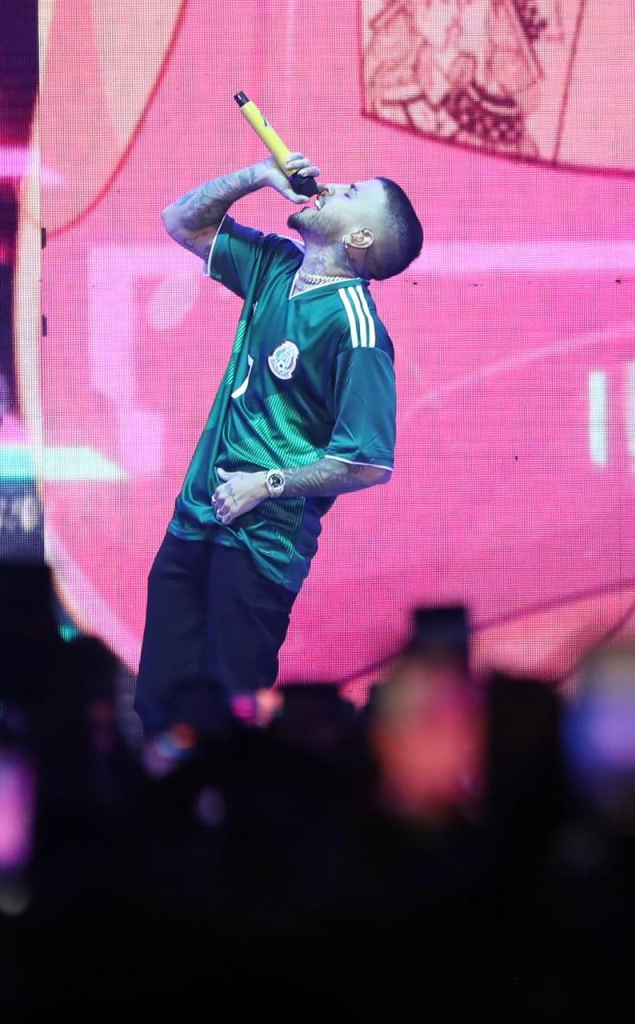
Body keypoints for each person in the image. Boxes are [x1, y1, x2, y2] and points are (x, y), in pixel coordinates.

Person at [135, 151, 424, 734]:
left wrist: (264, 485)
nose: (332, 184)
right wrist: (257, 177)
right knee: (156, 707)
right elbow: (180, 222)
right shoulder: (273, 265)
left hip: (261, 542)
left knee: (228, 720)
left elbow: (366, 463)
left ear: (360, 236)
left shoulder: (357, 329)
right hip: (195, 517)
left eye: (350, 192)